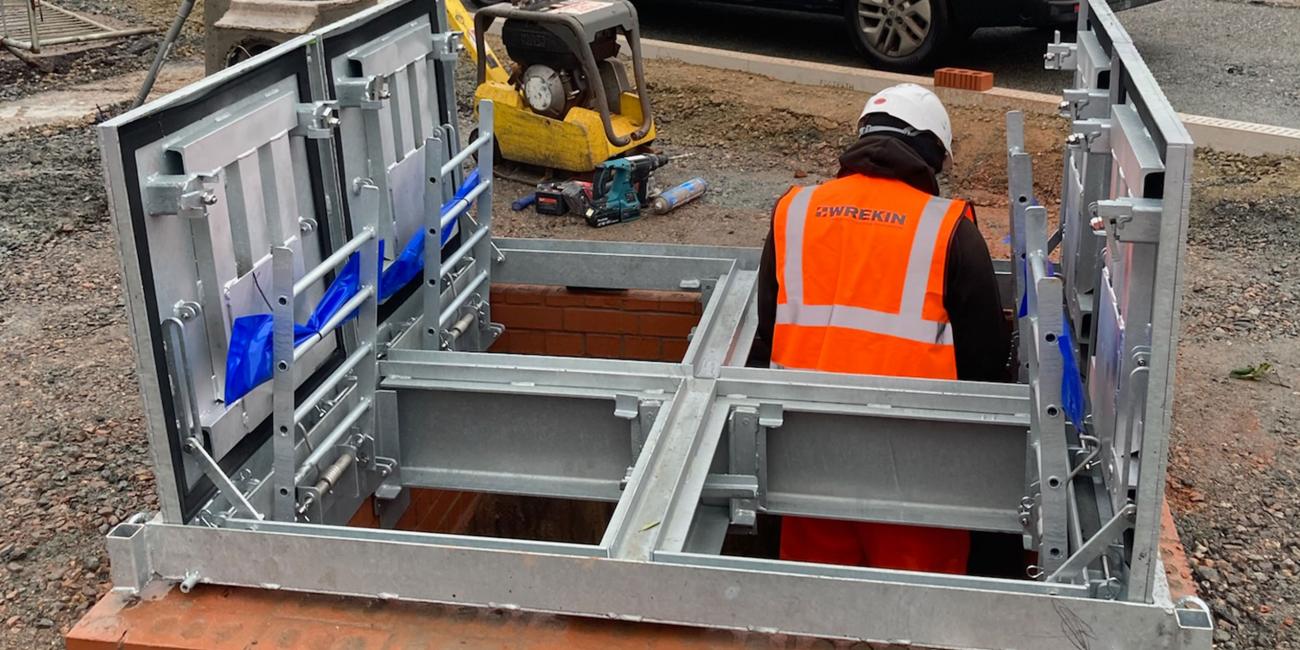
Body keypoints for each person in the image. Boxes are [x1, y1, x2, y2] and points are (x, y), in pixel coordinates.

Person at [745, 83, 1011, 575]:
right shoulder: (950, 229)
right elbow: (986, 367)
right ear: (932, 153)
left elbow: (767, 335)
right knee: (917, 614)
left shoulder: (794, 213)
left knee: (817, 607)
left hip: (806, 457)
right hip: (920, 471)